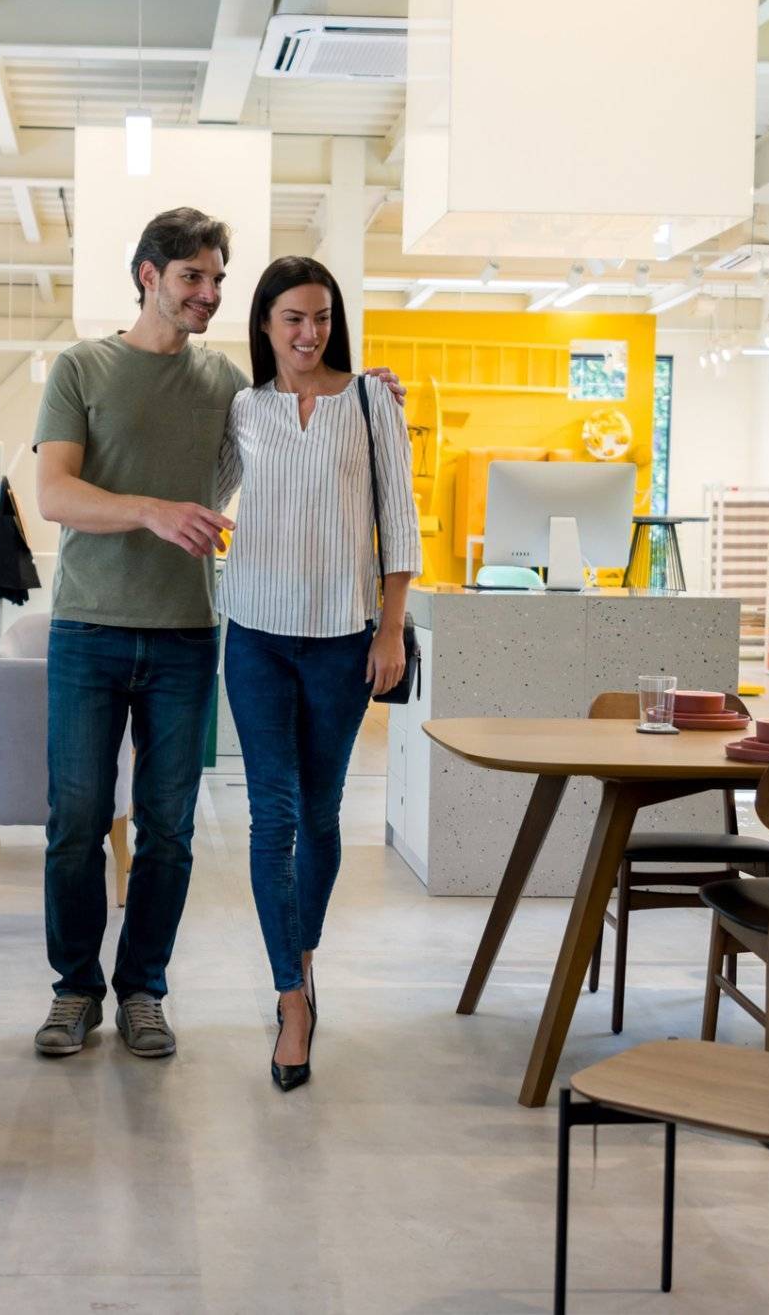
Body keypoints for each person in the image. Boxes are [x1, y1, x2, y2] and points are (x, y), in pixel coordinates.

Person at [30, 209, 402, 1061]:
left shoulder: (227, 388)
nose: (207, 292)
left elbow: (294, 421)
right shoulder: (81, 366)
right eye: (191, 275)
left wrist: (364, 391)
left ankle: (144, 990)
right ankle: (73, 988)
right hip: (87, 627)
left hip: (190, 635)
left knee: (171, 826)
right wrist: (151, 512)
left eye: (217, 279)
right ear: (146, 275)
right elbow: (54, 494)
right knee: (76, 818)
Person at [218, 257, 420, 1091]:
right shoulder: (243, 408)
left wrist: (391, 630)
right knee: (273, 820)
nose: (309, 333)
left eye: (323, 317)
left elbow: (398, 523)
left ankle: (300, 954)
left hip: (342, 638)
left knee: (323, 815)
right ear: (265, 323)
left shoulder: (372, 402)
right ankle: (291, 997)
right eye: (293, 318)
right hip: (256, 636)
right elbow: (205, 489)